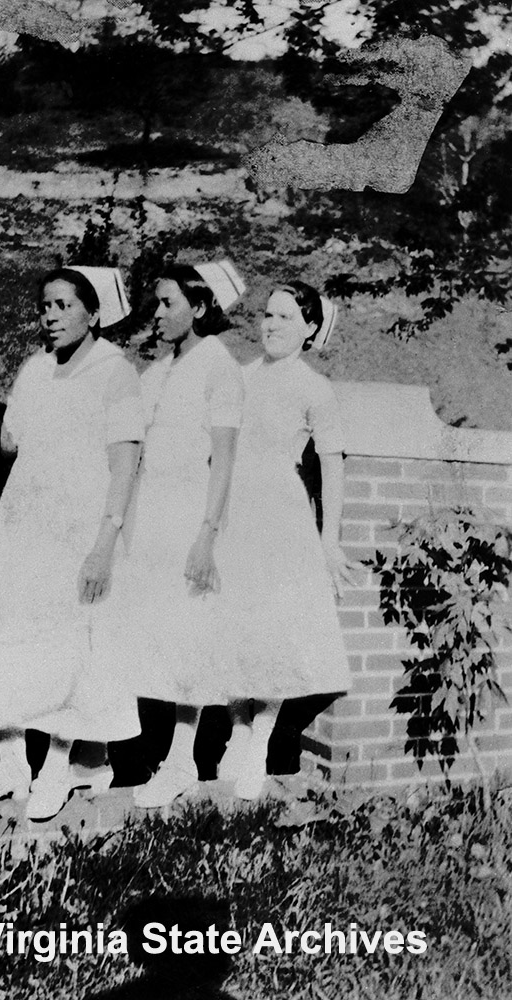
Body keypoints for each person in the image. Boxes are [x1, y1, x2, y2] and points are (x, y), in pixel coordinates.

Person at [0, 266, 145, 821]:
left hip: (79, 532)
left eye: (65, 305)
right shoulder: (36, 368)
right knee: (10, 634)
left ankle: (56, 770)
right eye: (46, 305)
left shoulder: (117, 373)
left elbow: (126, 464)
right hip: (23, 528)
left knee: (71, 645)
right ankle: (11, 763)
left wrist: (103, 544)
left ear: (93, 313)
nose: (52, 315)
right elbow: (10, 442)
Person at [99, 260, 247, 809]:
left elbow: (225, 459)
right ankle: (124, 753)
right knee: (146, 630)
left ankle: (183, 757)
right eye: (156, 303)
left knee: (187, 632)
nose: (156, 314)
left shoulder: (220, 367)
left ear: (201, 308)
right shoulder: (157, 369)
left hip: (190, 512)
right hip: (147, 512)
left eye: (168, 304)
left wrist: (207, 533)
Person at [214, 280, 359, 800]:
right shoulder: (240, 376)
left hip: (279, 515)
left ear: (309, 328)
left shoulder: (314, 388)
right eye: (266, 315)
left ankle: (260, 743)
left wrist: (329, 540)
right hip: (231, 511)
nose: (270, 325)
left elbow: (333, 465)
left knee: (273, 627)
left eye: (283, 317)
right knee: (230, 619)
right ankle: (236, 730)